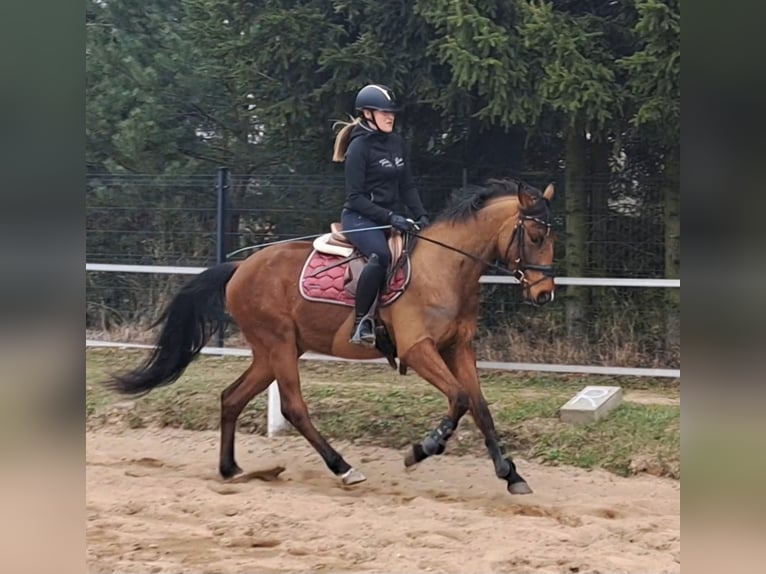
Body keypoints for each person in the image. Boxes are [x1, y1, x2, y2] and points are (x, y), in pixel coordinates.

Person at [332, 83, 430, 347]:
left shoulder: (397, 143)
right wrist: (390, 217)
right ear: (367, 114)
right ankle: (361, 322)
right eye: (383, 112)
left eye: (392, 113)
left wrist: (421, 216)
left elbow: (407, 186)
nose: (390, 117)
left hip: (388, 217)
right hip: (359, 218)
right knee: (381, 256)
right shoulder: (358, 148)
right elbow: (355, 198)